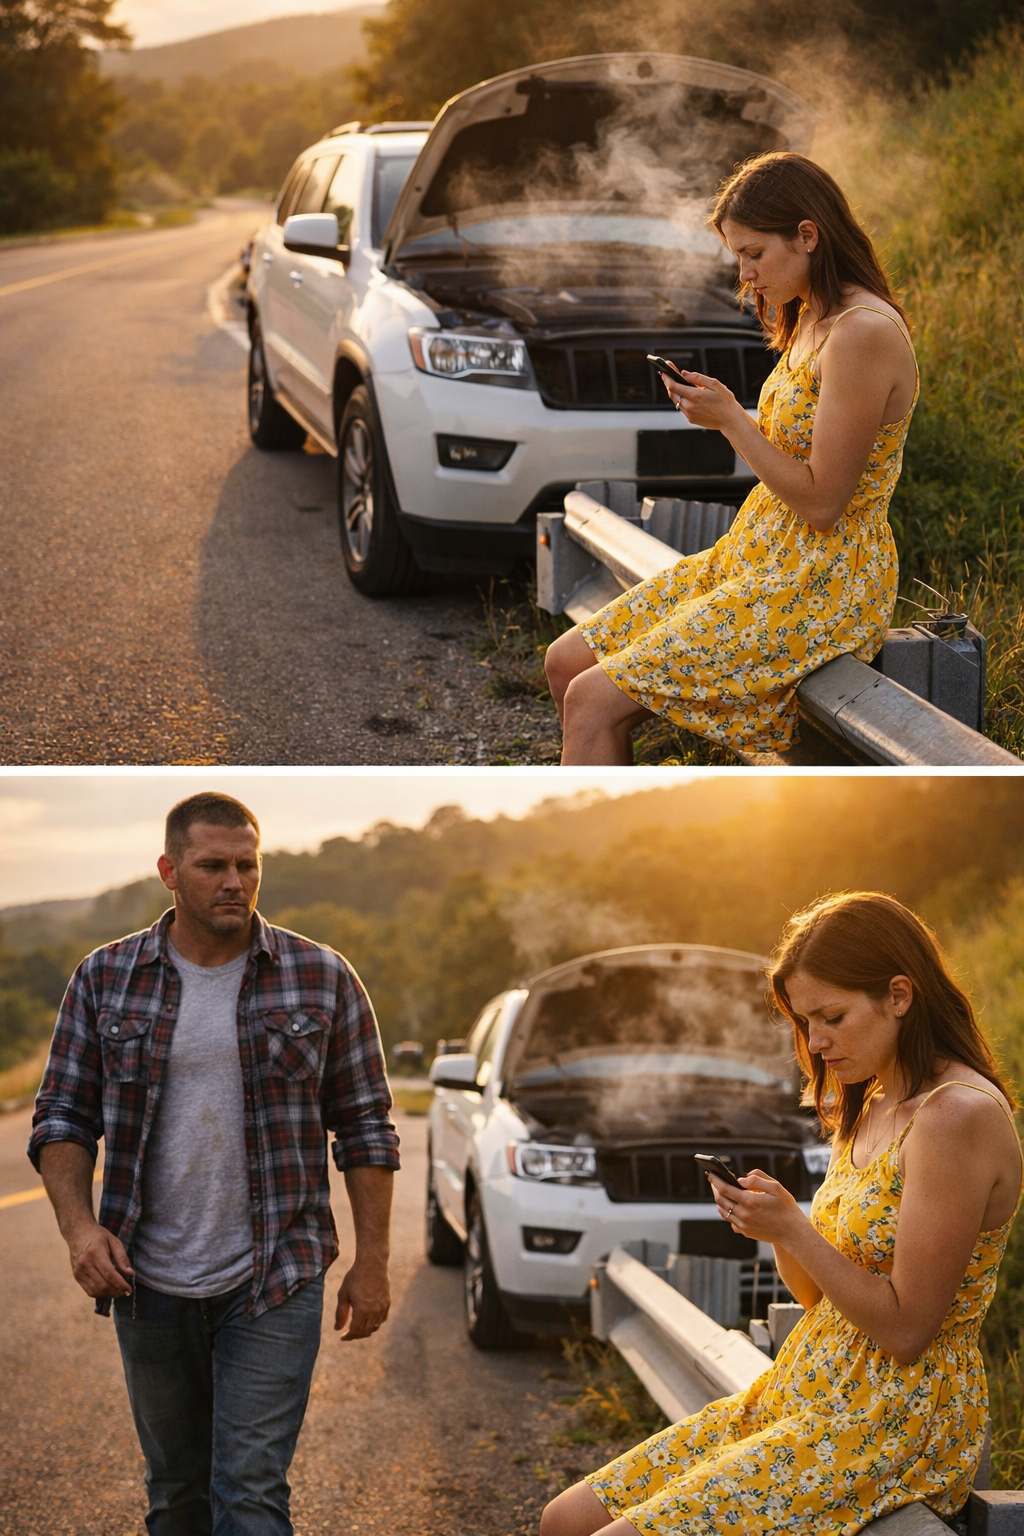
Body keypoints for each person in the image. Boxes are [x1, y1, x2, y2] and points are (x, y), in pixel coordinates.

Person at [541, 891, 1022, 1536]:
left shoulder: (957, 1117)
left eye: (832, 1016)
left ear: (900, 995)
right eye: (805, 1021)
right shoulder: (873, 1104)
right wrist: (778, 1224)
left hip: (892, 1421)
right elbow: (816, 1298)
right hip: (804, 1390)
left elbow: (907, 1332)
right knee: (564, 1519)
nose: (816, 1042)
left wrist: (796, 1228)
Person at [28, 791, 400, 1536]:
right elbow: (64, 1115)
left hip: (276, 1272)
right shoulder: (105, 979)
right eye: (213, 866)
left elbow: (365, 1126)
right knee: (177, 1494)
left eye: (247, 865)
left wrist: (374, 1261)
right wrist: (79, 1230)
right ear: (170, 871)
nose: (235, 881)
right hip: (149, 1278)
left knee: (251, 1491)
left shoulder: (321, 977)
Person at [545, 152, 920, 764]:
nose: (744, 275)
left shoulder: (862, 333)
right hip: (755, 554)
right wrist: (723, 415)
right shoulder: (812, 317)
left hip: (818, 582)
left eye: (753, 253)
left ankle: (591, 856)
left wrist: (732, 421)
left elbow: (824, 503)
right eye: (737, 257)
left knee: (590, 699)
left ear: (807, 235)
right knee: (566, 664)